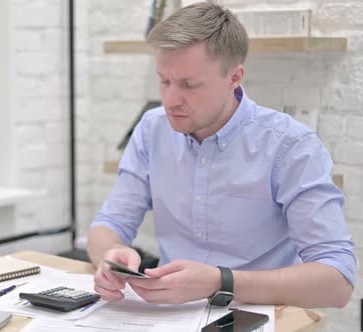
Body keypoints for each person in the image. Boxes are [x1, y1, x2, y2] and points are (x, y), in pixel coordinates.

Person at [88, 1, 356, 309]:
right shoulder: (152, 129)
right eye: (164, 81)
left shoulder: (291, 146)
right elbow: (110, 224)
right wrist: (110, 257)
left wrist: (221, 281)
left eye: (189, 85)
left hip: (258, 316)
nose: (171, 99)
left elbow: (338, 282)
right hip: (169, 315)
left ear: (234, 77)